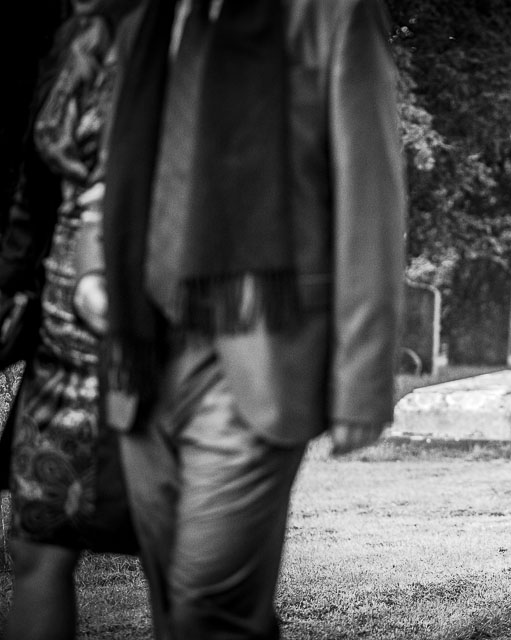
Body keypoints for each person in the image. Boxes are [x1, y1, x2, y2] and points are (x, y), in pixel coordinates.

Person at [95, 0, 406, 638]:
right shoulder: (141, 24)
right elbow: (110, 166)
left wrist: (362, 379)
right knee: (174, 606)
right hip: (142, 351)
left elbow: (370, 192)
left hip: (261, 345)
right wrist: (89, 272)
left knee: (207, 609)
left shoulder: (331, 14)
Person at [0, 1, 140, 638]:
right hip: (60, 354)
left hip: (160, 349)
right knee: (36, 545)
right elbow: (34, 194)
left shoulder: (198, 44)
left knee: (182, 564)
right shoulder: (74, 40)